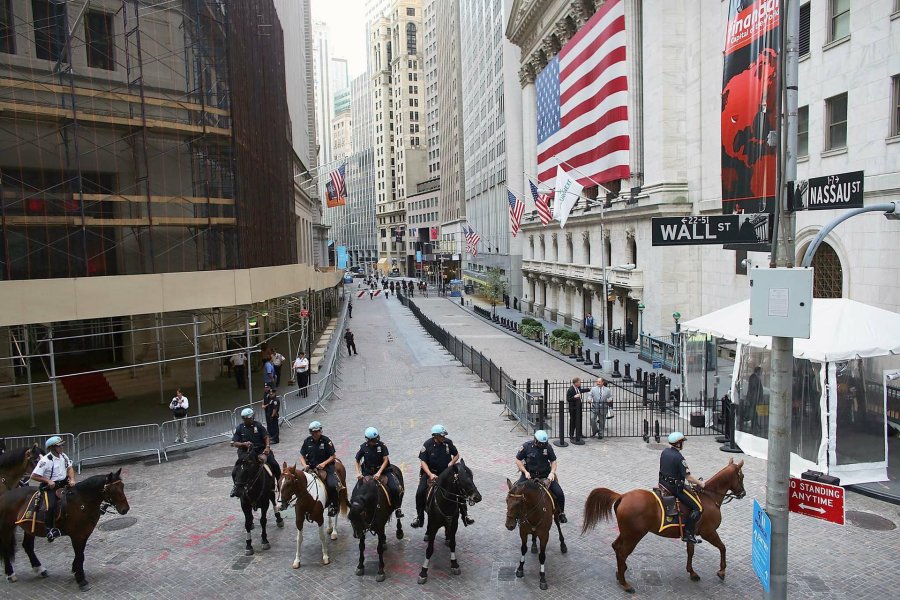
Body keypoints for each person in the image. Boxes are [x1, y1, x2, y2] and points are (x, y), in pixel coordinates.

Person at [410, 424, 473, 529]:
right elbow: (423, 462)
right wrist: (430, 474)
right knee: (420, 493)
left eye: (444, 436)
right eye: (441, 436)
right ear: (435, 436)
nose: (444, 437)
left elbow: (457, 455)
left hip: (446, 473)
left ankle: (465, 515)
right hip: (431, 473)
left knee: (459, 490)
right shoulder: (427, 445)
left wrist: (452, 462)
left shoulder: (448, 443)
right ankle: (419, 518)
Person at [658, 432, 704, 544]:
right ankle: (688, 533)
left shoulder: (665, 452)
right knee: (698, 508)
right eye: (682, 442)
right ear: (678, 444)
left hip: (663, 484)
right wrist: (701, 483)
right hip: (674, 488)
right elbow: (688, 477)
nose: (683, 444)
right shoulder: (679, 458)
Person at [30, 436, 76, 541]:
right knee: (50, 506)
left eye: (62, 445)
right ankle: (49, 530)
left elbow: (69, 468)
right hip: (51, 487)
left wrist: (72, 479)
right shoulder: (45, 461)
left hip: (64, 484)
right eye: (59, 446)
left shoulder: (63, 456)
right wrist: (48, 481)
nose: (62, 448)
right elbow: (34, 476)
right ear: (52, 448)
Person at [515, 430, 566, 523]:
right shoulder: (526, 447)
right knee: (515, 491)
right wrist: (525, 472)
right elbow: (518, 460)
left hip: (545, 475)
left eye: (544, 443)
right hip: (529, 475)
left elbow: (553, 461)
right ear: (535, 440)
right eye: (540, 443)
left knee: (559, 493)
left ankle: (561, 513)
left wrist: (552, 472)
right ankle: (516, 513)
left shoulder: (548, 447)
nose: (542, 445)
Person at [229, 408, 280, 498]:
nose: (250, 419)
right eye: (247, 418)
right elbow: (233, 442)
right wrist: (242, 444)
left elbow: (266, 437)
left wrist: (267, 447)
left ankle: (279, 483)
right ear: (244, 418)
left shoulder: (258, 426)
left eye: (251, 417)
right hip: (246, 454)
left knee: (274, 464)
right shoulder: (240, 428)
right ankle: (236, 488)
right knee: (235, 471)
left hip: (260, 450)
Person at [354, 427, 403, 517]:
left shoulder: (382, 446)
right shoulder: (363, 447)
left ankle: (397, 508)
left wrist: (379, 473)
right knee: (357, 489)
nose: (375, 442)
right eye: (373, 440)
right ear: (367, 440)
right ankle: (356, 508)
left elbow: (385, 460)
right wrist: (358, 473)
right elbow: (357, 460)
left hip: (384, 471)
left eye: (376, 439)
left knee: (394, 488)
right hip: (368, 472)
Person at [299, 421, 340, 516]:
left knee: (332, 485)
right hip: (311, 467)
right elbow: (302, 455)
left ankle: (334, 505)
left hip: (326, 467)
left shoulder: (326, 441)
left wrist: (323, 463)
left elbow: (333, 456)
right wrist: (305, 465)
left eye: (317, 431)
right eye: (313, 432)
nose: (315, 433)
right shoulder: (307, 441)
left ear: (320, 431)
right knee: (298, 481)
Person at [566, 377, 585, 442]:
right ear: (576, 383)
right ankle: (571, 435)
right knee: (573, 421)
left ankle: (579, 433)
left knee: (579, 420)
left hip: (578, 407)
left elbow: (581, 390)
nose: (580, 383)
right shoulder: (570, 390)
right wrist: (574, 397)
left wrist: (589, 389)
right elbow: (568, 399)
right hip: (573, 408)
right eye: (579, 382)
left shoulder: (578, 388)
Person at [745, 366, 764, 430]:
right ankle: (753, 424)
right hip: (753, 398)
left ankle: (755, 423)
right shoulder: (753, 377)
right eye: (760, 371)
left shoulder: (757, 377)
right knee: (753, 411)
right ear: (757, 371)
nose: (761, 373)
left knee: (755, 411)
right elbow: (753, 388)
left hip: (756, 398)